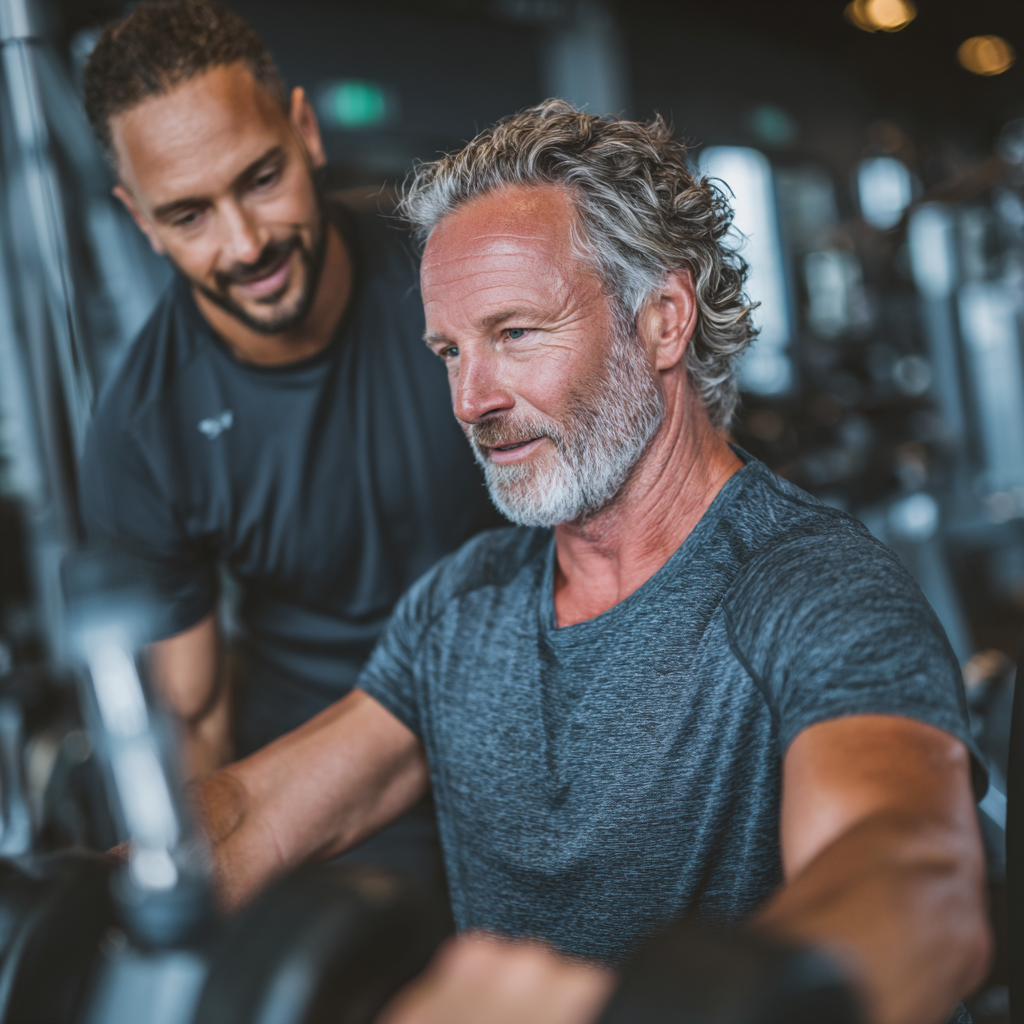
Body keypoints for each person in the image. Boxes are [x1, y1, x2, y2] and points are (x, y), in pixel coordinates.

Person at [197, 103, 990, 1024]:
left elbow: (913, 876)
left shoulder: (808, 586)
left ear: (662, 320)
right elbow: (254, 814)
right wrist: (84, 900)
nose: (470, 398)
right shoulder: (465, 602)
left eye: (516, 333)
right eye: (449, 351)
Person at [77, 0, 498, 884]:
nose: (245, 243)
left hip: (536, 714)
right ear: (140, 219)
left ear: (304, 131)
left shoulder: (448, 270)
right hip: (331, 785)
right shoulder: (144, 431)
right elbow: (191, 718)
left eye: (260, 177)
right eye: (187, 216)